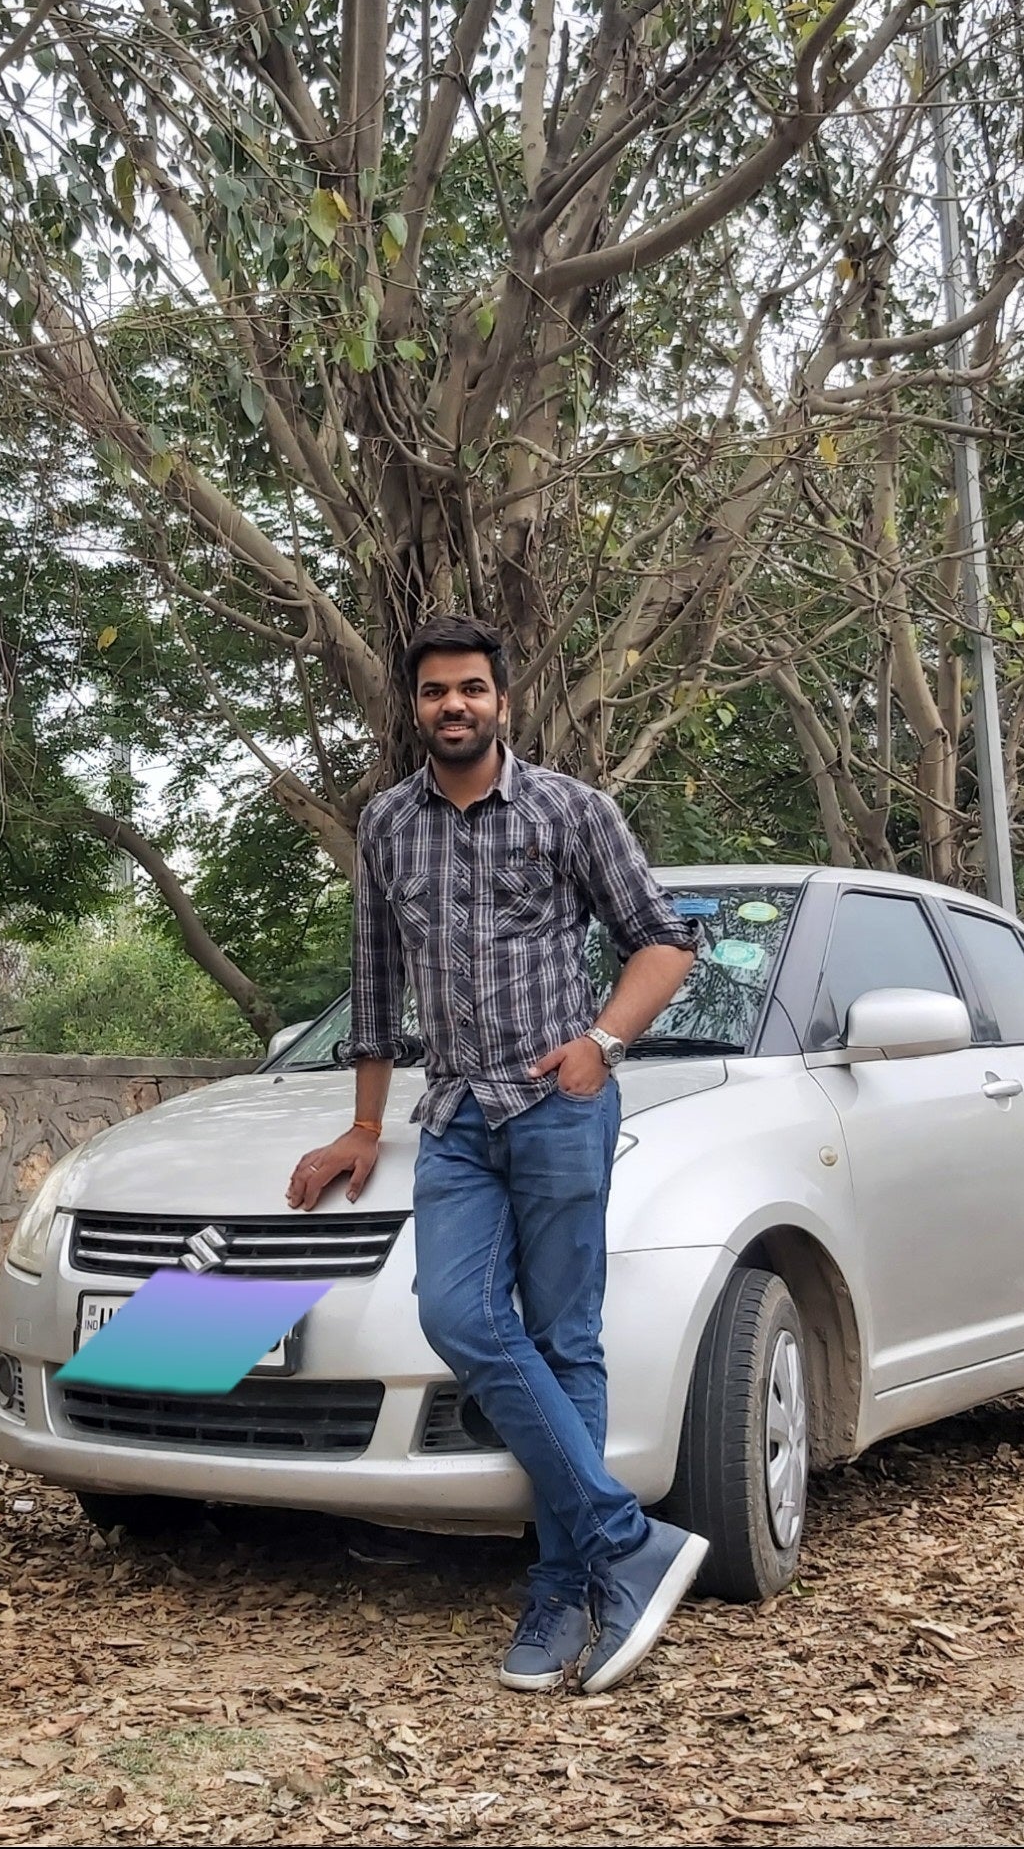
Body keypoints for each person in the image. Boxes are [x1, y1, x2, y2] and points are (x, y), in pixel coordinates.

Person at [284, 615, 705, 1694]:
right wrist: (364, 1124)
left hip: (559, 1105)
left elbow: (663, 940)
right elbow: (375, 981)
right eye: (435, 691)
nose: (454, 705)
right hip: (456, 1114)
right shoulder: (388, 823)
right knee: (459, 1316)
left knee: (566, 1339)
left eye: (471, 688)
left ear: (502, 702)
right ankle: (626, 1538)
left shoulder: (571, 809)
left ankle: (563, 1589)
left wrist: (603, 1043)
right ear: (415, 707)